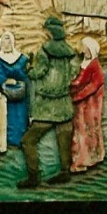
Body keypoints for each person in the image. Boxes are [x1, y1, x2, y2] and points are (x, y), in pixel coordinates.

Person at [19, 16, 80, 189]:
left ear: (50, 32)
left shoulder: (45, 50)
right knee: (63, 141)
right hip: (65, 104)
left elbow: (40, 72)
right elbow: (75, 72)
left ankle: (33, 177)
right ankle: (64, 173)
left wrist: (29, 69)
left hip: (47, 106)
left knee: (28, 141)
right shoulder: (71, 51)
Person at [69, 36, 105, 172]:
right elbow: (78, 81)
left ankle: (83, 161)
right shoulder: (84, 64)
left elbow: (94, 85)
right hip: (81, 105)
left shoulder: (95, 66)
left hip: (90, 106)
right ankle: (85, 158)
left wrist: (77, 95)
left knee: (87, 131)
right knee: (81, 131)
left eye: (86, 48)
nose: (83, 51)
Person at [0, 31, 29, 147]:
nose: (6, 45)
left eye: (8, 41)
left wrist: (18, 81)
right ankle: (10, 142)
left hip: (21, 94)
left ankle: (21, 140)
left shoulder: (21, 58)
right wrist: (6, 81)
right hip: (6, 93)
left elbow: (24, 74)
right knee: (9, 118)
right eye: (3, 42)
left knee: (21, 117)